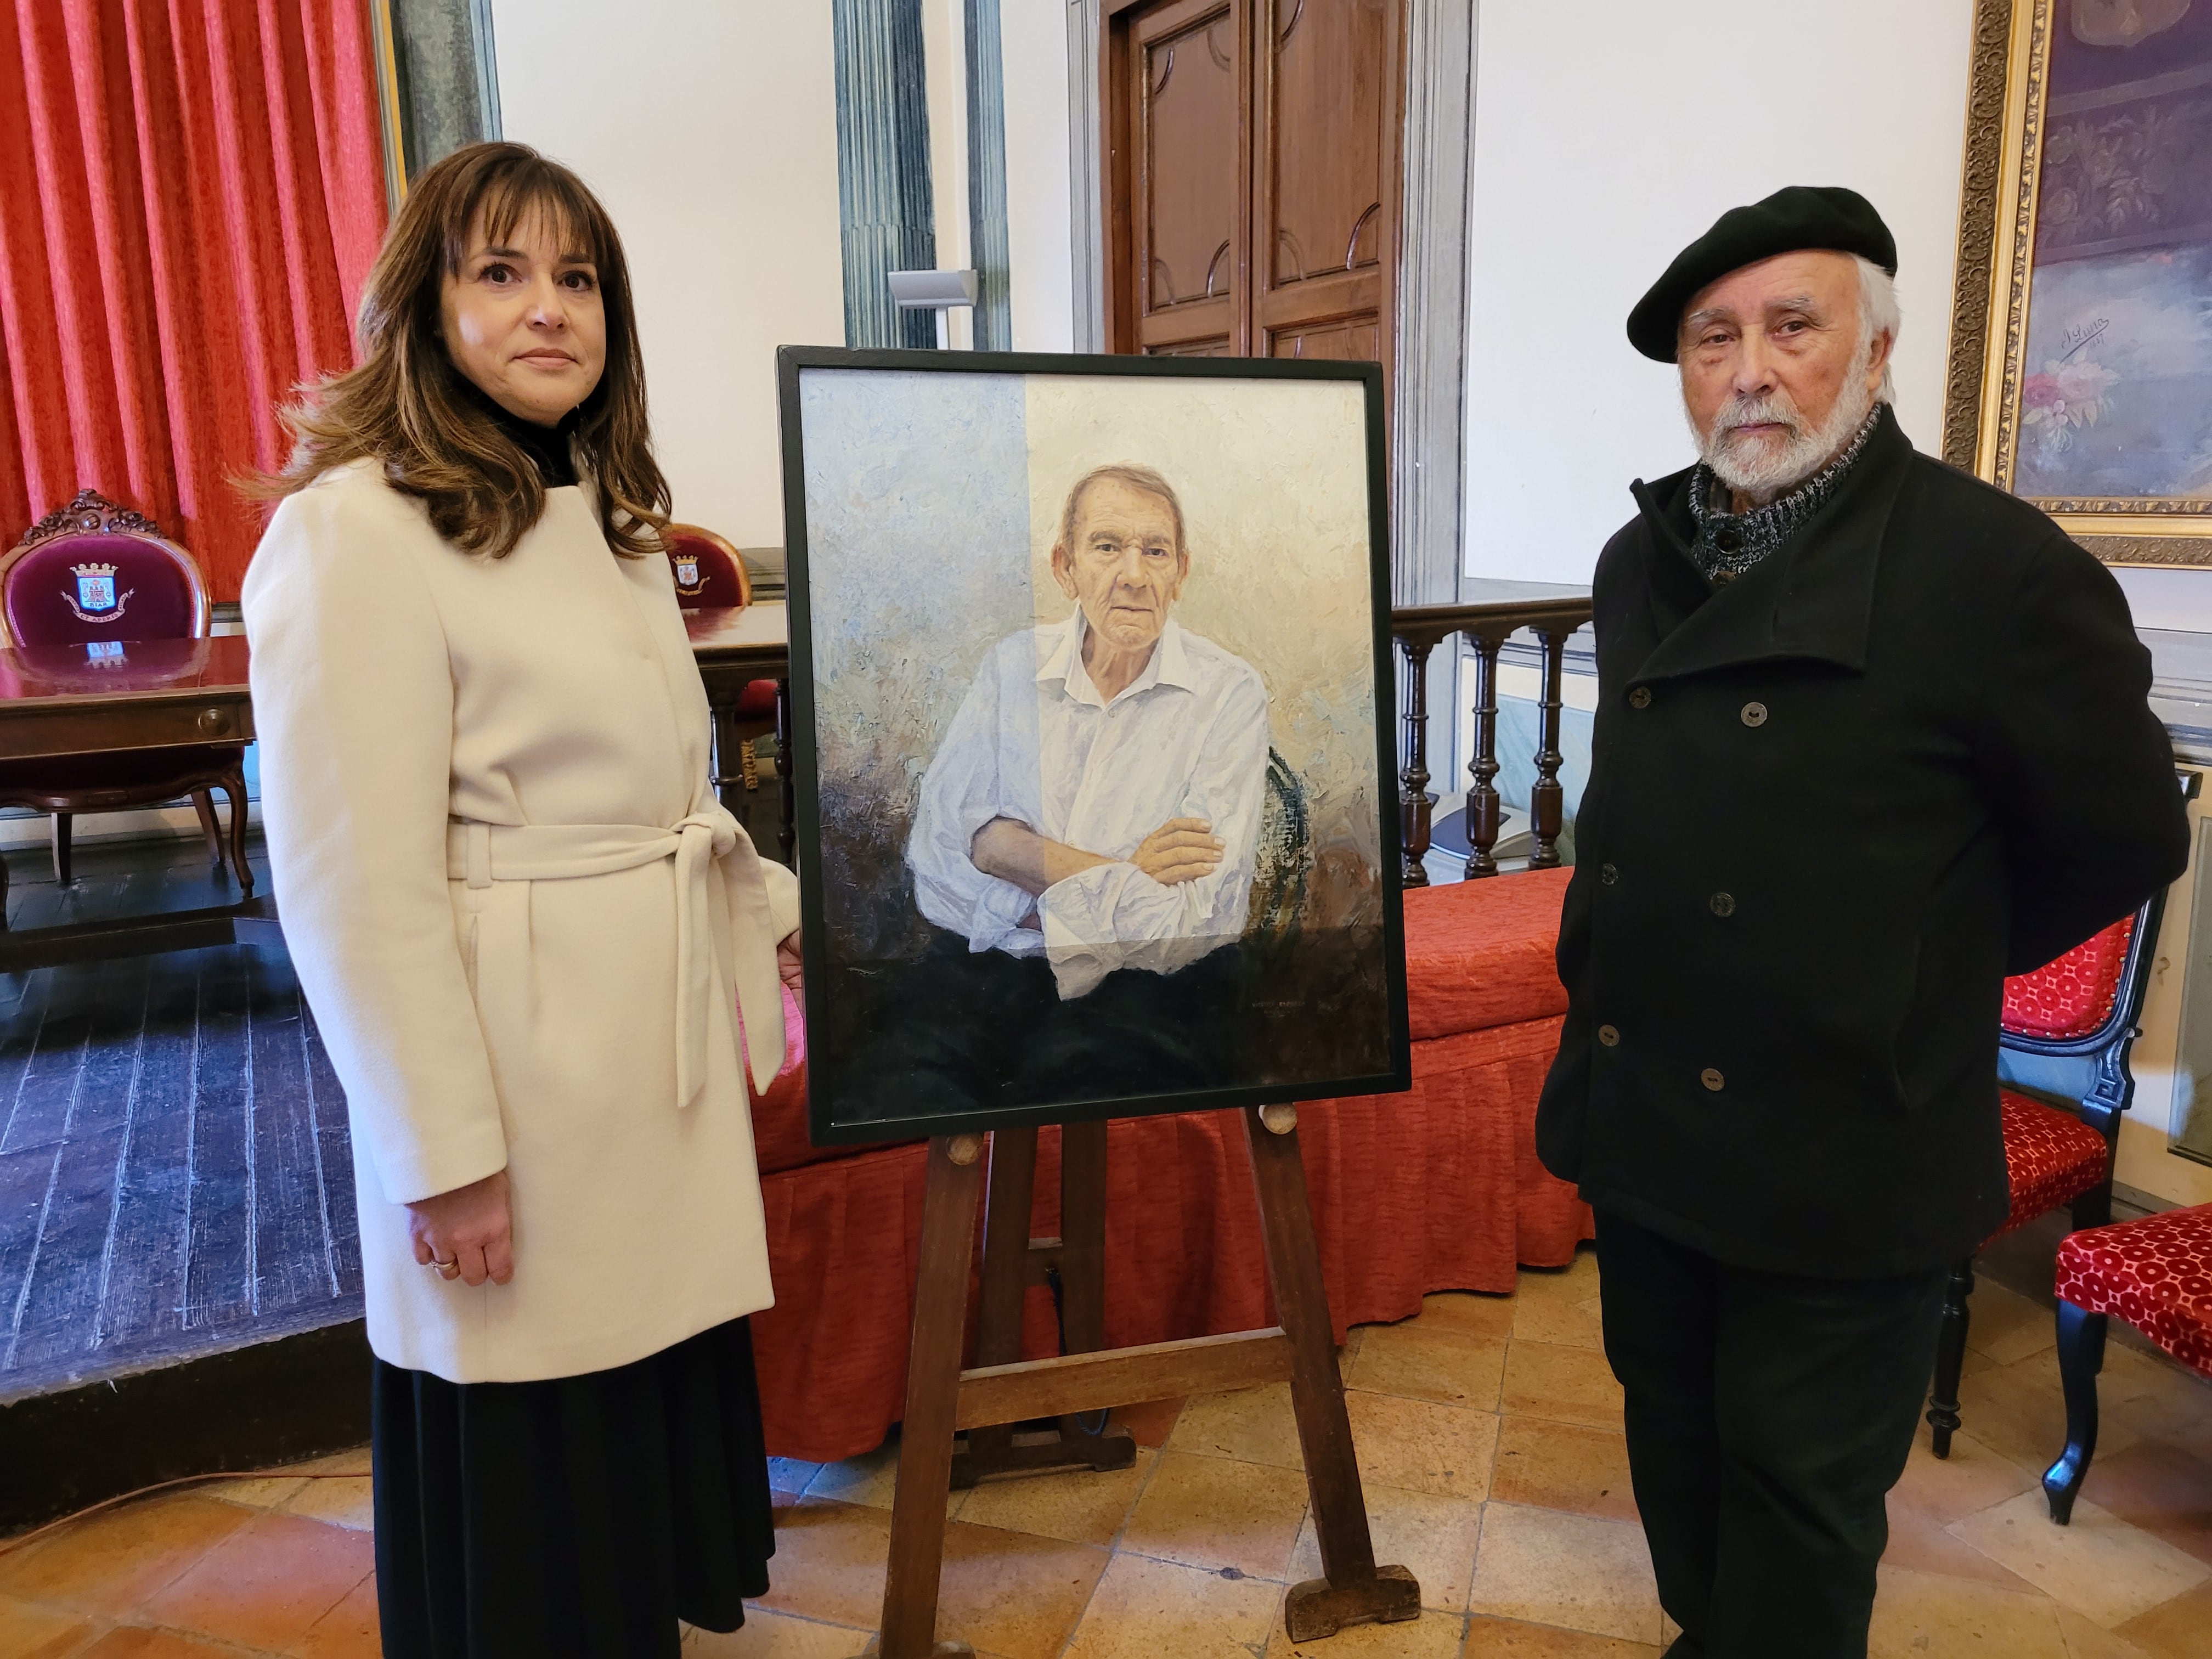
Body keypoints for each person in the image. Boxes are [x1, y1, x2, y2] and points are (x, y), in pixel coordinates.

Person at [1535, 184, 2190, 1659]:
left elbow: (2125, 838)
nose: (1748, 368)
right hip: (1648, 1136)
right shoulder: (1641, 564)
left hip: (1847, 1146)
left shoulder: (1999, 572)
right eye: (1713, 339)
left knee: (1802, 1509)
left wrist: (1907, 963)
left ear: (1876, 353)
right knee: (1679, 1459)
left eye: (1790, 326)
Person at [242, 142, 800, 1658]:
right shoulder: (352, 528)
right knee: (534, 1462)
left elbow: (647, 804)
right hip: (518, 1081)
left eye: (576, 278)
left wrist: (779, 913)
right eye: (499, 272)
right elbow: (353, 882)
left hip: (645, 1075)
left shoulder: (603, 515)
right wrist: (444, 1155)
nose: (548, 308)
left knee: (629, 1431)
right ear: (423, 305)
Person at [843, 465, 1271, 1119]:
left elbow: (1195, 919)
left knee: (1083, 1100)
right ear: (1064, 567)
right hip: (981, 968)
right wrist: (1128, 876)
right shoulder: (1011, 667)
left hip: (1146, 990)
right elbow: (936, 868)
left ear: (1181, 572)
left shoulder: (1228, 693)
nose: (1133, 574)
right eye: (1106, 547)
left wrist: (1005, 850)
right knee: (889, 1093)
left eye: (1154, 551)